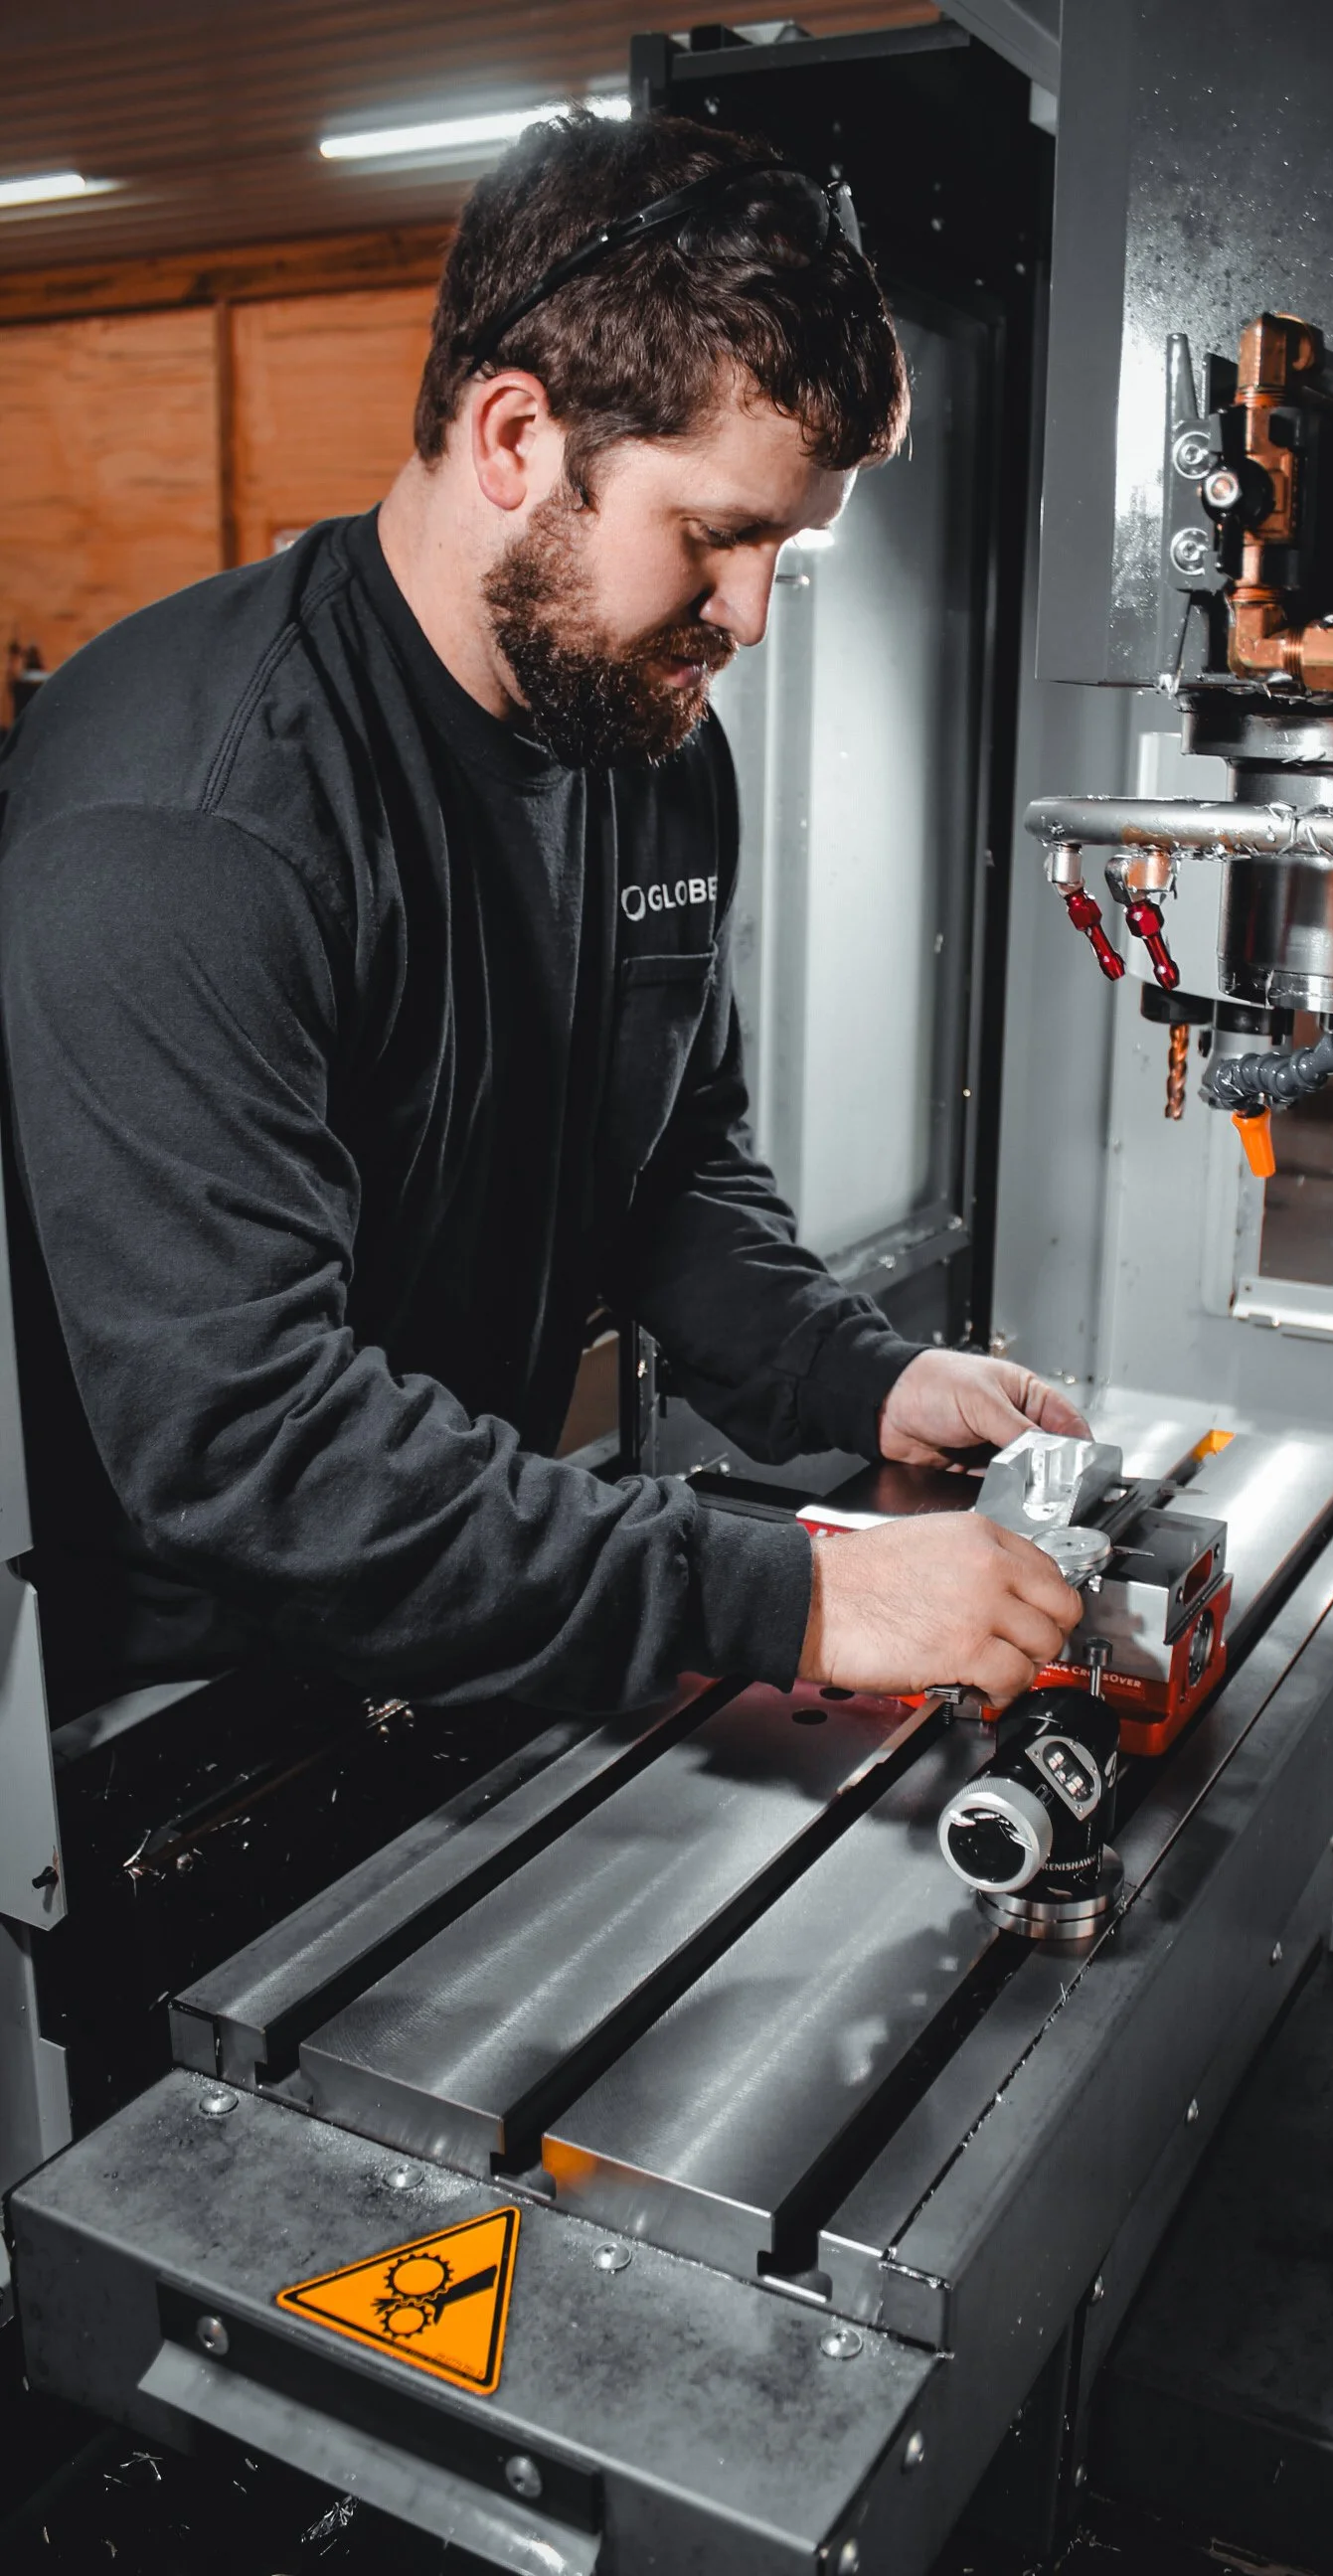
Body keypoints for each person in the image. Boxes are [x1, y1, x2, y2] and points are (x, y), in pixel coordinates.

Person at [0, 109, 1084, 1726]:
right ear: (512, 436)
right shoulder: (196, 821)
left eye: (786, 552)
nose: (748, 617)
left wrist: (864, 1374)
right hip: (174, 1720)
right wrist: (789, 1594)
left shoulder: (645, 750)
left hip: (463, 1616)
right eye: (717, 536)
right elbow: (251, 1446)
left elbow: (660, 1162)